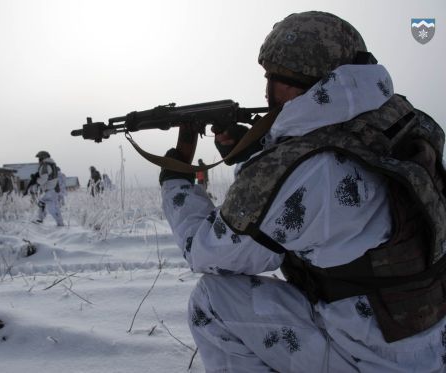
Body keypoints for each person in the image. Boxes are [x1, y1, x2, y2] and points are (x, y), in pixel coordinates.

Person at [159, 11, 446, 372]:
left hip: (372, 358)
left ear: (307, 81)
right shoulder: (401, 118)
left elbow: (205, 251)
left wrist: (175, 180)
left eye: (274, 78)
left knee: (211, 301)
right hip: (428, 340)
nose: (267, 91)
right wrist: (260, 148)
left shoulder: (304, 170)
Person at [33, 151, 64, 226]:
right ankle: (41, 219)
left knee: (50, 208)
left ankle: (42, 219)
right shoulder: (53, 165)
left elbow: (44, 178)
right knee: (45, 204)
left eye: (39, 158)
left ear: (43, 158)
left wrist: (36, 181)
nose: (38, 160)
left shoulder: (45, 166)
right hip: (53, 189)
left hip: (49, 189)